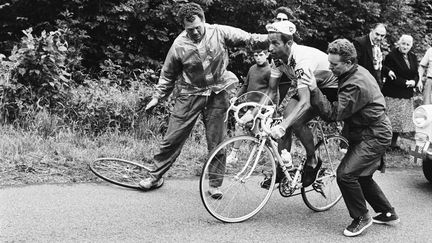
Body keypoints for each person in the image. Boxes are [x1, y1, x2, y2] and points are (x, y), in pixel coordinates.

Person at [140, 3, 267, 197]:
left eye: (198, 27)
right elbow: (168, 74)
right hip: (190, 94)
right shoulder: (179, 45)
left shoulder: (219, 32)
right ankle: (154, 176)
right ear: (184, 27)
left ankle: (215, 184)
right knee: (172, 138)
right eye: (190, 29)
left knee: (217, 141)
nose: (196, 32)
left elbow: (249, 39)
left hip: (218, 92)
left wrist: (274, 38)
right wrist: (158, 96)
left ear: (204, 21)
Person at [301, 38, 399, 237]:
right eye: (329, 63)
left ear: (348, 62)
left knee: (345, 175)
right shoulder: (352, 71)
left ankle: (362, 217)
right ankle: (387, 212)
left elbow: (333, 114)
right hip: (366, 131)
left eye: (334, 65)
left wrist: (313, 89)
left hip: (374, 134)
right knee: (362, 176)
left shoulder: (355, 83)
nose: (330, 67)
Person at [262, 21, 338, 188]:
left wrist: (282, 126)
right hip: (310, 84)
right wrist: (254, 113)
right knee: (285, 117)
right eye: (269, 42)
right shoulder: (277, 59)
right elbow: (271, 91)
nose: (270, 48)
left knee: (295, 121)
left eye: (275, 43)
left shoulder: (301, 59)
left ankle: (313, 160)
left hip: (329, 87)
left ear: (289, 43)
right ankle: (283, 168)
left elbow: (304, 103)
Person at [226, 41, 274, 163]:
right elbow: (245, 85)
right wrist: (236, 97)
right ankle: (272, 152)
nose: (258, 58)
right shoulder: (252, 69)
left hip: (261, 107)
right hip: (250, 105)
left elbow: (272, 91)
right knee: (256, 132)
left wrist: (272, 107)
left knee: (240, 124)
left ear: (267, 55)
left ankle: (234, 155)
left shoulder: (270, 71)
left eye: (261, 55)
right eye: (256, 56)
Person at [382, 34, 418, 149]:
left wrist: (414, 82)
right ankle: (385, 143)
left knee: (400, 121)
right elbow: (390, 75)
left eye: (408, 44)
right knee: (390, 120)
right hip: (393, 93)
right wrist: (405, 83)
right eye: (403, 43)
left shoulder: (413, 56)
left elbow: (416, 73)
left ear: (411, 46)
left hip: (406, 94)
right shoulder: (391, 56)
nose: (405, 46)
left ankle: (393, 143)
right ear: (399, 43)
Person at [353, 23, 395, 89]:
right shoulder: (360, 42)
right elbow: (355, 64)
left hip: (377, 84)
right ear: (371, 30)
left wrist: (388, 71)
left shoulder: (379, 45)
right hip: (363, 84)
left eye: (382, 36)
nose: (379, 38)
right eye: (377, 34)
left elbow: (378, 63)